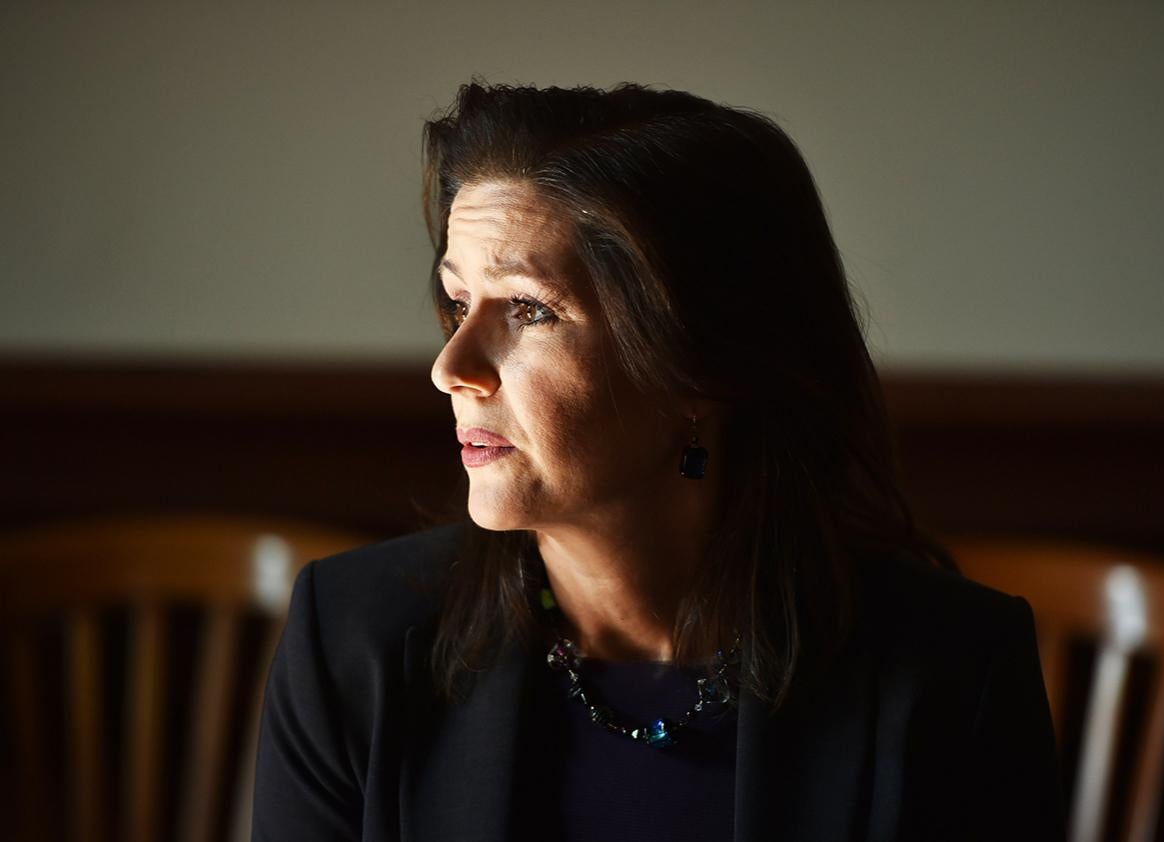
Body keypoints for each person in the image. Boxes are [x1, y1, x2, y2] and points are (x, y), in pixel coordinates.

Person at [251, 81, 1065, 841]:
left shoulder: (953, 674)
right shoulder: (353, 643)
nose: (451, 366)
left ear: (702, 369)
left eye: (529, 310)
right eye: (458, 303)